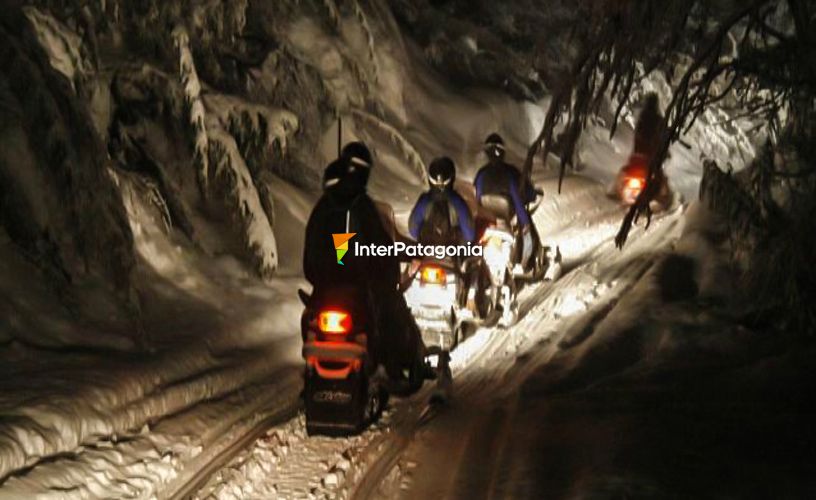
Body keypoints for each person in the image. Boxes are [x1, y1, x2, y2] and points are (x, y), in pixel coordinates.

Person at [303, 142, 430, 381]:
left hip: (325, 288)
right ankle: (393, 366)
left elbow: (310, 254)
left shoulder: (323, 208)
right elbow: (381, 247)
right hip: (358, 287)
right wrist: (387, 276)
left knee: (312, 316)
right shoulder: (362, 207)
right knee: (389, 312)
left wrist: (320, 275)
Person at [474, 133, 540, 270]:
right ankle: (527, 263)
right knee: (527, 231)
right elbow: (518, 198)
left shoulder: (481, 174)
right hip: (507, 218)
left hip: (486, 221)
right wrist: (525, 223)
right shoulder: (511, 173)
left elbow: (478, 199)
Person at [408, 157, 475, 246]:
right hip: (453, 254)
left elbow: (413, 231)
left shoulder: (424, 201)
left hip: (428, 253)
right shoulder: (457, 202)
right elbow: (470, 235)